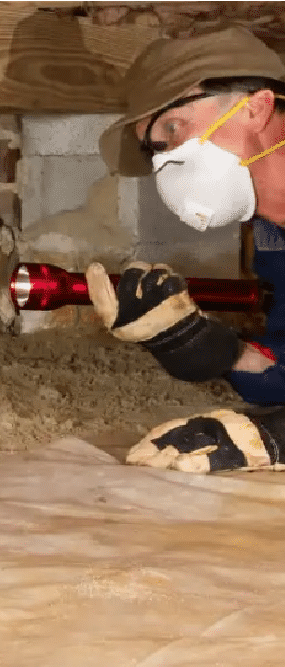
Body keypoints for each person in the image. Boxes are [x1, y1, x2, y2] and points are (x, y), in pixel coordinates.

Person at [87, 26, 285, 474]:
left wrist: (274, 438)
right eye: (154, 148)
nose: (166, 163)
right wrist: (218, 351)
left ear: (257, 108)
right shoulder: (273, 241)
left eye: (173, 129)